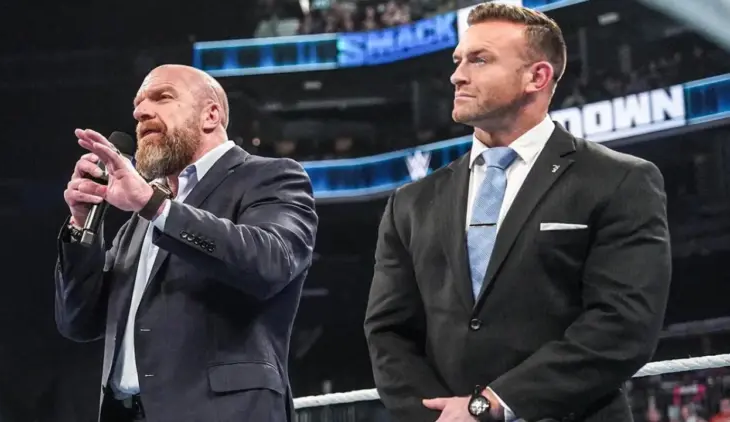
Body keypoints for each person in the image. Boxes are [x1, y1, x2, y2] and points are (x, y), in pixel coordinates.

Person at [364, 3, 671, 422]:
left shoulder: (619, 180)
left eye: (479, 59)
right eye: (458, 60)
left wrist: (492, 404)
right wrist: (442, 417)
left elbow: (623, 325)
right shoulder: (411, 202)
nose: (457, 75)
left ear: (537, 77)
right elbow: (388, 333)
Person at [55, 64, 318, 422]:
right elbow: (78, 322)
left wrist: (153, 205)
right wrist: (82, 224)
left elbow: (271, 263)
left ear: (211, 115)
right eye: (137, 104)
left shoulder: (270, 176)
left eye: (162, 97)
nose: (141, 111)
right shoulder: (141, 218)